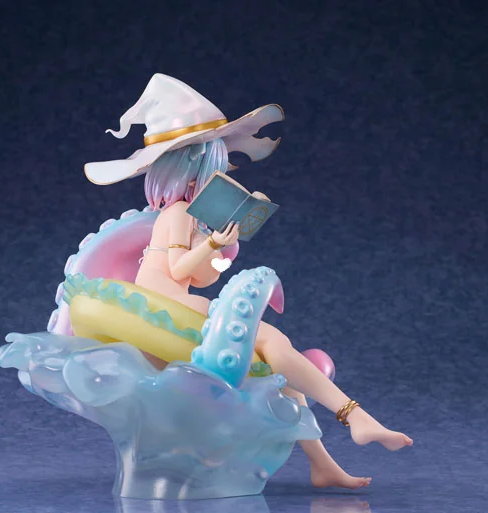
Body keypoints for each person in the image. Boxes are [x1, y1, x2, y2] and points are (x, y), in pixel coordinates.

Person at [83, 74, 413, 489]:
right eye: (214, 171)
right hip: (160, 305)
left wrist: (218, 250)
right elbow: (180, 271)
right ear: (193, 171)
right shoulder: (177, 212)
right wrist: (211, 245)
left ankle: (324, 464)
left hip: (175, 299)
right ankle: (354, 415)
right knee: (274, 341)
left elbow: (198, 276)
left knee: (281, 366)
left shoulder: (191, 219)